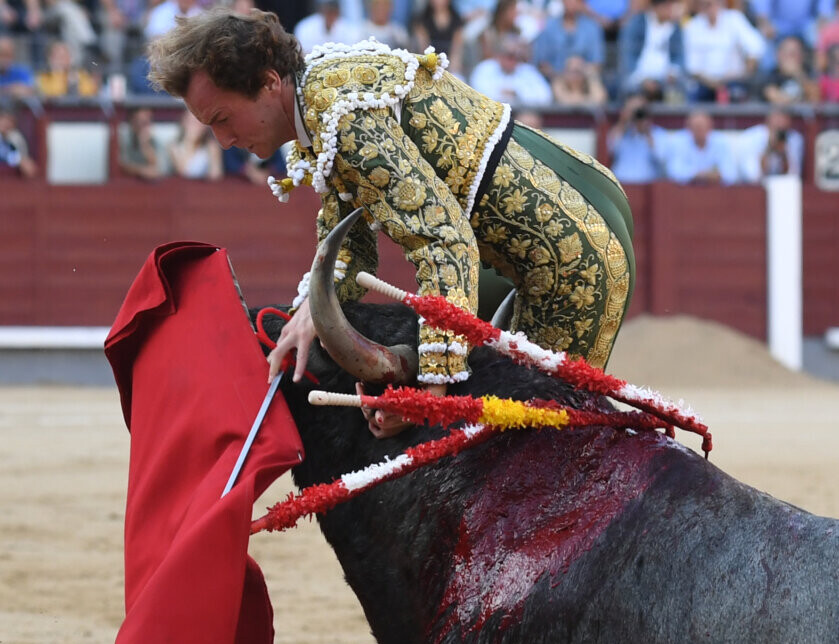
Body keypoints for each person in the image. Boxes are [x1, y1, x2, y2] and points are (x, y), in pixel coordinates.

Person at [147, 7, 635, 437]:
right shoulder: (320, 100)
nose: (224, 141)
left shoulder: (339, 117)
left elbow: (445, 242)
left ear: (270, 83)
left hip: (569, 256)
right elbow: (351, 244)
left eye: (223, 119)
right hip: (567, 201)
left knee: (526, 441)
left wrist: (430, 392)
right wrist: (307, 318)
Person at [683, 0, 765, 102]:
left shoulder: (734, 19)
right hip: (703, 83)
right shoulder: (693, 25)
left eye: (714, 3)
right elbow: (692, 66)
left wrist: (745, 71)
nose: (711, 8)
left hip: (734, 81)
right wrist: (713, 83)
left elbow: (756, 47)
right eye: (707, 4)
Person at [618, 0, 685, 102]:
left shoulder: (676, 28)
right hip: (638, 80)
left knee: (678, 93)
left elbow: (679, 57)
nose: (670, 9)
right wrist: (642, 80)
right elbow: (627, 56)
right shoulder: (637, 23)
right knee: (629, 90)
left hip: (665, 81)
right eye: (667, 6)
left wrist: (673, 73)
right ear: (656, 7)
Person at [531, 0, 606, 86]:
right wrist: (562, 77)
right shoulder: (548, 26)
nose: (571, 3)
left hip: (585, 84)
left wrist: (576, 72)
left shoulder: (592, 28)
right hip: (554, 82)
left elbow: (596, 63)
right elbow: (542, 63)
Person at [469, 33, 553, 105]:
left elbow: (545, 96)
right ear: (499, 54)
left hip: (521, 116)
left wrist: (518, 93)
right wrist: (502, 95)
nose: (513, 60)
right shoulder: (485, 68)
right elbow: (477, 94)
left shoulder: (528, 71)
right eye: (509, 56)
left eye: (517, 57)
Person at [658, 109, 738, 184]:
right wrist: (702, 175)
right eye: (696, 127)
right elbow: (673, 172)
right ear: (688, 128)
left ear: (710, 127)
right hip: (685, 194)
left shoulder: (721, 142)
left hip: (715, 193)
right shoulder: (677, 141)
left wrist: (716, 176)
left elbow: (731, 175)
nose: (700, 130)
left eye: (703, 127)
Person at [607, 94, 665, 183]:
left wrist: (646, 131)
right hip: (622, 183)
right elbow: (612, 148)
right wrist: (623, 121)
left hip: (647, 186)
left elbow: (661, 158)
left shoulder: (657, 133)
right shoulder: (621, 131)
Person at [736, 108, 804, 182]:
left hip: (782, 188)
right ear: (768, 120)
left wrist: (783, 154)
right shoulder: (751, 138)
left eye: (784, 119)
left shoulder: (793, 139)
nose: (781, 124)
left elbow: (793, 177)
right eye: (778, 119)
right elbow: (753, 177)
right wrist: (769, 148)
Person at [758, 35, 820, 105]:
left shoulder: (810, 73)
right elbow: (777, 99)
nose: (790, 58)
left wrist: (798, 75)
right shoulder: (770, 76)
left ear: (802, 55)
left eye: (794, 53)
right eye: (787, 53)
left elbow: (816, 99)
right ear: (778, 55)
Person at [412, 0, 465, 78]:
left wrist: (449, 75)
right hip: (429, 66)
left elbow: (456, 52)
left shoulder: (457, 20)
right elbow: (423, 50)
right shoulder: (421, 20)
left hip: (451, 68)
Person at [167, 108, 223, 180]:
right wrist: (190, 142)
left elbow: (216, 175)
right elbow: (183, 173)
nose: (195, 127)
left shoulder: (211, 146)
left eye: (198, 123)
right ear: (184, 123)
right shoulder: (173, 146)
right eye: (191, 122)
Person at [293, 0, 361, 54]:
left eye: (333, 11)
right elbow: (303, 51)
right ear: (321, 10)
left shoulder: (349, 28)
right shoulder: (305, 27)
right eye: (327, 11)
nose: (330, 15)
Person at [118, 106, 163, 180]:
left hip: (150, 188)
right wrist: (142, 170)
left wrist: (145, 145)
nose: (148, 115)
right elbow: (121, 165)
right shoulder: (123, 136)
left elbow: (157, 169)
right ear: (133, 117)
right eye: (144, 110)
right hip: (126, 186)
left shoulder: (154, 140)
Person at [0, 101, 36, 177]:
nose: (6, 123)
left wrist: (20, 160)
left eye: (10, 121)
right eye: (3, 119)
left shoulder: (15, 136)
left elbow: (22, 157)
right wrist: (19, 160)